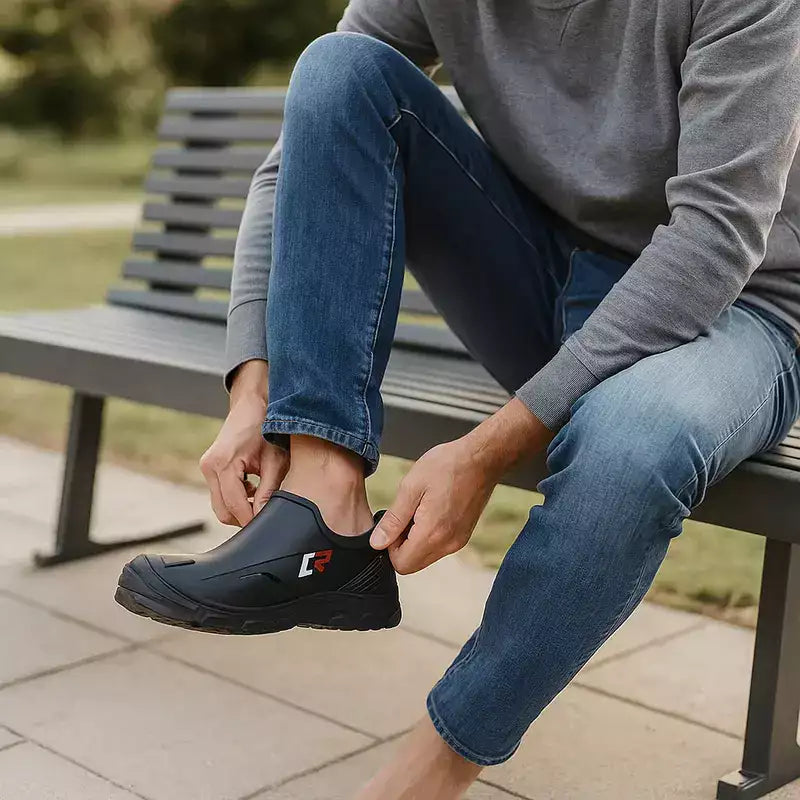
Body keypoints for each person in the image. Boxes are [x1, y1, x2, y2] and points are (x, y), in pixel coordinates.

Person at [115, 0, 800, 796]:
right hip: (547, 278)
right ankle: (321, 511)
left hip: (739, 309)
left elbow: (717, 235)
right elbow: (295, 158)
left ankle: (434, 770)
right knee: (338, 72)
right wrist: (254, 390)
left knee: (631, 441)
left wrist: (486, 449)